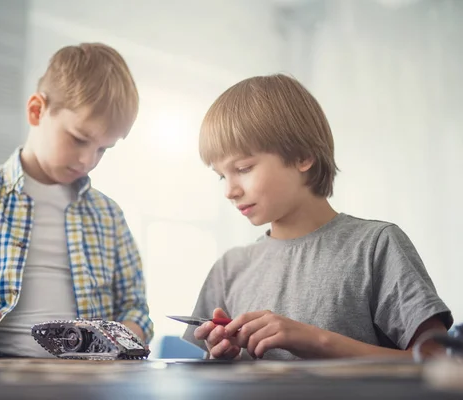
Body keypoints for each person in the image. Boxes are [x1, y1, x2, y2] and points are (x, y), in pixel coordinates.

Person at [182, 74, 452, 361]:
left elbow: (438, 360)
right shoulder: (229, 268)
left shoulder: (375, 246)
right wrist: (220, 358)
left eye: (244, 168)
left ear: (303, 157)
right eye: (221, 176)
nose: (230, 191)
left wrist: (316, 340)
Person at [0, 42, 153, 358]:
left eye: (102, 149)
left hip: (93, 382)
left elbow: (137, 312)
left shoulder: (110, 215)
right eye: (79, 139)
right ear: (37, 111)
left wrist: (117, 341)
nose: (87, 160)